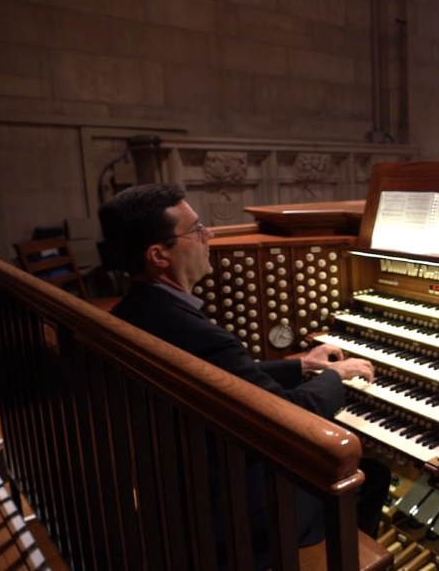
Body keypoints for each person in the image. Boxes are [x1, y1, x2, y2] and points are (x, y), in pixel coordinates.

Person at [99, 183, 388, 570]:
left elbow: (222, 378)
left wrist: (301, 365)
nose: (209, 235)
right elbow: (289, 418)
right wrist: (337, 376)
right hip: (238, 518)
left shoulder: (131, 314)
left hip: (177, 489)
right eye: (196, 229)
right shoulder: (200, 335)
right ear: (158, 256)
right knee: (371, 474)